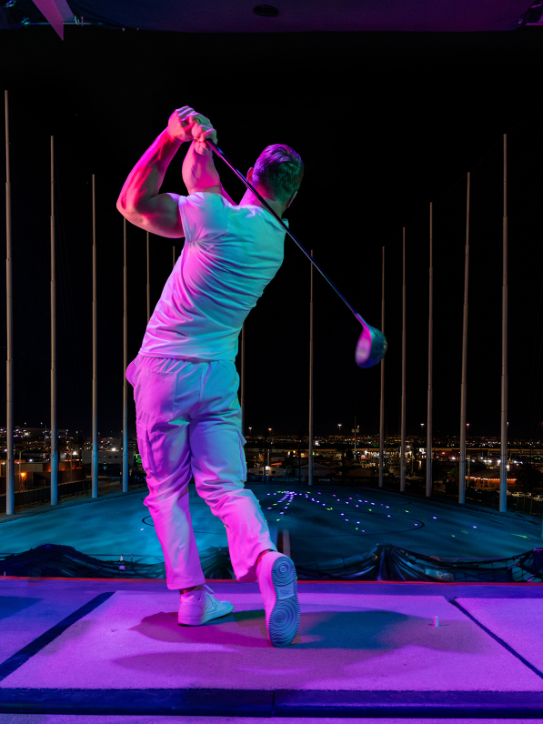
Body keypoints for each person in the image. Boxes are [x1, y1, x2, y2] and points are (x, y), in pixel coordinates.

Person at [116, 106, 303, 647]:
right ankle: (266, 560)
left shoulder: (218, 218)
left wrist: (173, 137)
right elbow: (204, 184)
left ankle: (194, 599)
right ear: (290, 198)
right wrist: (198, 148)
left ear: (250, 177)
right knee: (226, 486)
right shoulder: (273, 246)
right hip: (218, 376)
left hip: (164, 372)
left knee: (169, 491)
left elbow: (133, 203)